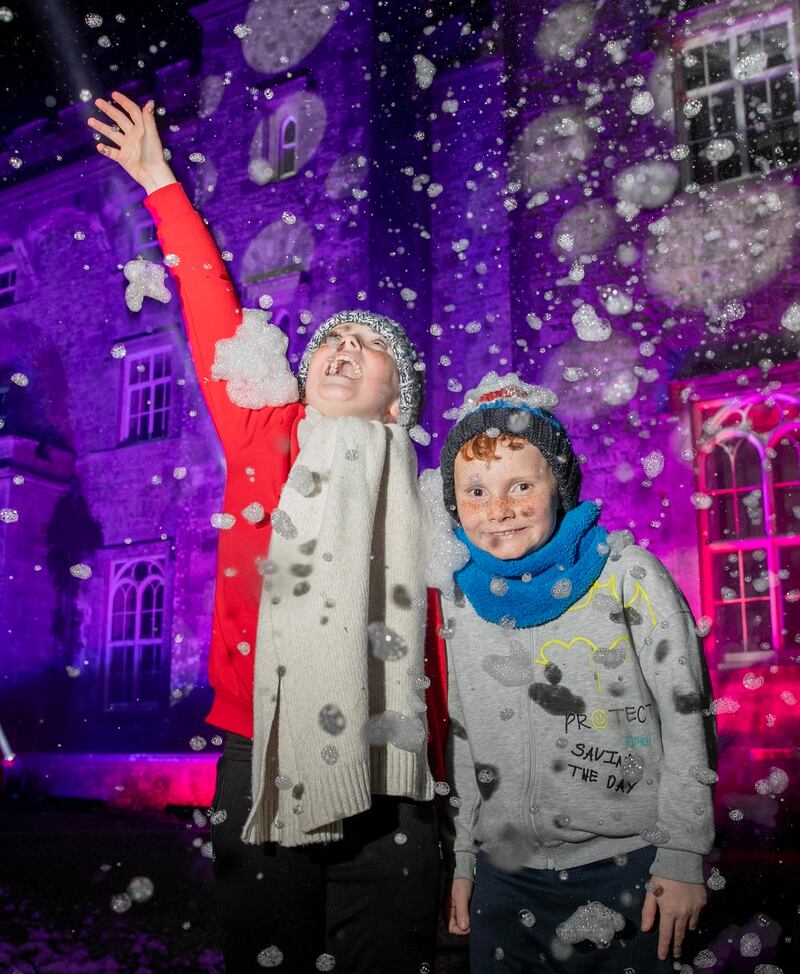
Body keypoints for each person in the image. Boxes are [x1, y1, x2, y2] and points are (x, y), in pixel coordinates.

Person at [88, 93, 447, 973]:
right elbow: (214, 311)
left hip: (396, 765)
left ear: (396, 403)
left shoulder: (429, 503)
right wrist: (161, 184)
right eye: (330, 340)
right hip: (265, 744)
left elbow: (446, 657)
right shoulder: (265, 435)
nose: (340, 347)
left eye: (366, 346)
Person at [438, 372, 716, 973]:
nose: (499, 510)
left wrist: (684, 854)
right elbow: (463, 735)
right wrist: (462, 859)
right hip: (504, 877)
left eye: (520, 486)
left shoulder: (627, 575)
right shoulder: (457, 600)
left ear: (559, 485)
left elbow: (687, 716)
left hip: (629, 868)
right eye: (476, 492)